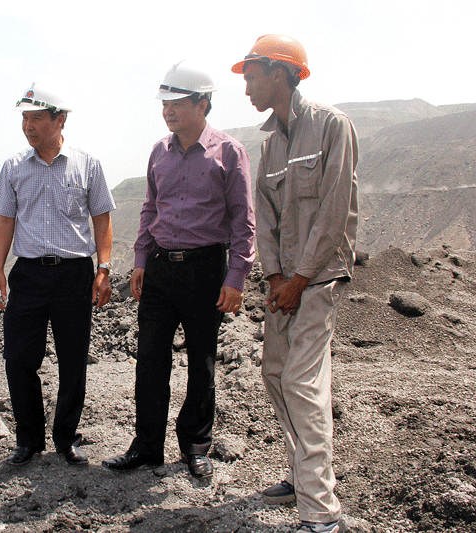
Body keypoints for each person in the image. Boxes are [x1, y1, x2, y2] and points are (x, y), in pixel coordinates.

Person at [102, 60, 256, 479]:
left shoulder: (228, 152)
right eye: (164, 103)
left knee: (201, 362)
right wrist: (139, 261)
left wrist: (236, 278)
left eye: (178, 102)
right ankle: (147, 446)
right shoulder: (158, 150)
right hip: (159, 270)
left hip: (206, 269)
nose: (168, 110)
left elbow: (243, 222)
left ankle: (195, 446)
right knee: (150, 361)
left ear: (203, 104)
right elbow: (150, 208)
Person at [231, 34, 359, 533]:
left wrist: (301, 277)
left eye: (252, 76)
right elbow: (265, 216)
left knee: (303, 384)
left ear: (281, 72)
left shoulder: (331, 126)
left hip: (320, 279)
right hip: (285, 283)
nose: (246, 88)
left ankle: (321, 513)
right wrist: (278, 277)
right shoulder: (270, 142)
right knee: (274, 373)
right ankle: (300, 475)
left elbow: (333, 212)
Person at [0, 81, 116, 467]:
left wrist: (103, 268)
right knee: (19, 358)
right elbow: (5, 220)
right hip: (28, 274)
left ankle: (66, 438)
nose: (28, 126)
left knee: (73, 359)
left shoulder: (87, 164)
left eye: (36, 118)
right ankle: (28, 440)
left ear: (60, 120)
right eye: (24, 118)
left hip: (75, 274)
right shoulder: (14, 167)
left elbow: (102, 219)